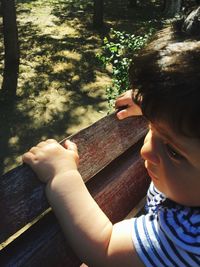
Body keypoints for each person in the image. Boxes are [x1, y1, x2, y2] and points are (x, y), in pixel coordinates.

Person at [23, 24, 200, 267]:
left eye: (173, 151)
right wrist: (161, 107)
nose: (146, 151)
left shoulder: (188, 236)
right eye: (151, 125)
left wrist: (61, 175)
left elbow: (104, 248)